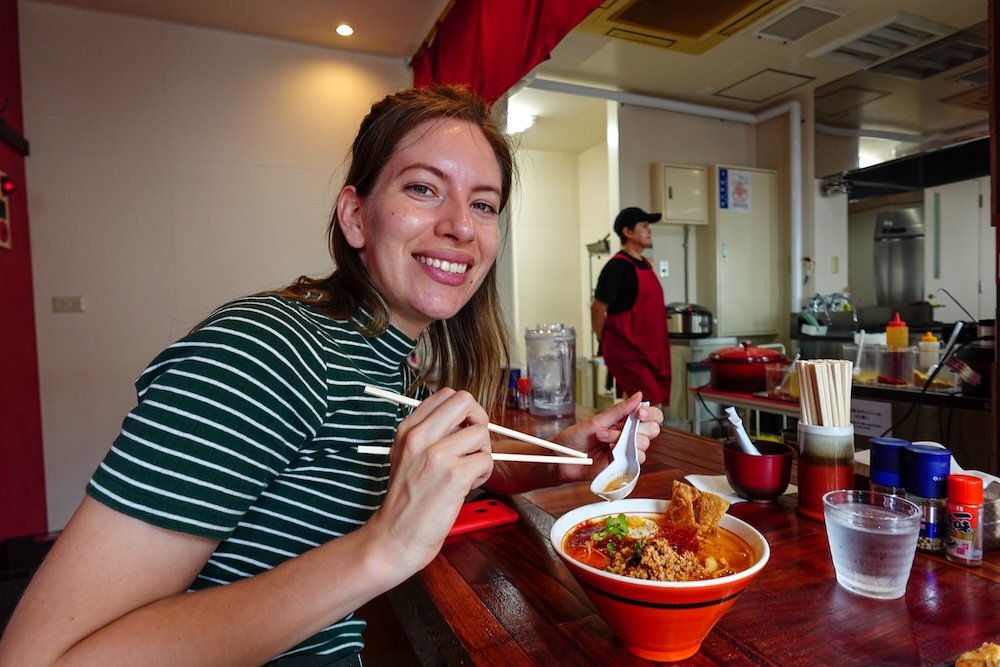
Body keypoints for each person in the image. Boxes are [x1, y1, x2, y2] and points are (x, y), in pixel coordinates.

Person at [0, 85, 662, 666]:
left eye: (484, 204)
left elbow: (434, 474)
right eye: (424, 188)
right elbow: (44, 657)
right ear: (355, 216)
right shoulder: (266, 350)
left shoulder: (393, 366)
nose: (461, 225)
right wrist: (381, 549)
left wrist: (564, 458)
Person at [590, 206, 672, 408]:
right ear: (628, 232)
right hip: (627, 351)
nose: (649, 230)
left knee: (643, 405)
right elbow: (597, 309)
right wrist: (605, 340)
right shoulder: (617, 267)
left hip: (649, 351)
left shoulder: (645, 264)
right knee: (647, 405)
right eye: (644, 226)